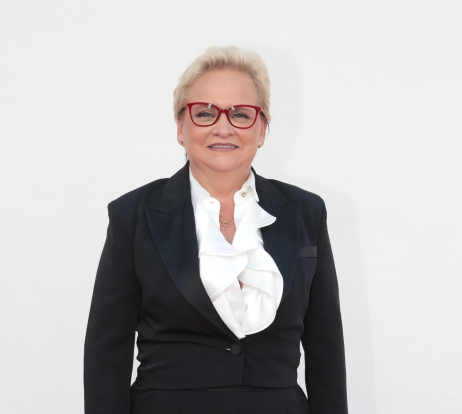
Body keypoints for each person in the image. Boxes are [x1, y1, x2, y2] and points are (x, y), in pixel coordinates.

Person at [84, 46, 348, 414]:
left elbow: (325, 349)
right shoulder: (133, 215)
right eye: (205, 113)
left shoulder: (307, 212)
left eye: (241, 114)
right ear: (181, 127)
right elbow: (106, 354)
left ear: (262, 129)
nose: (223, 128)